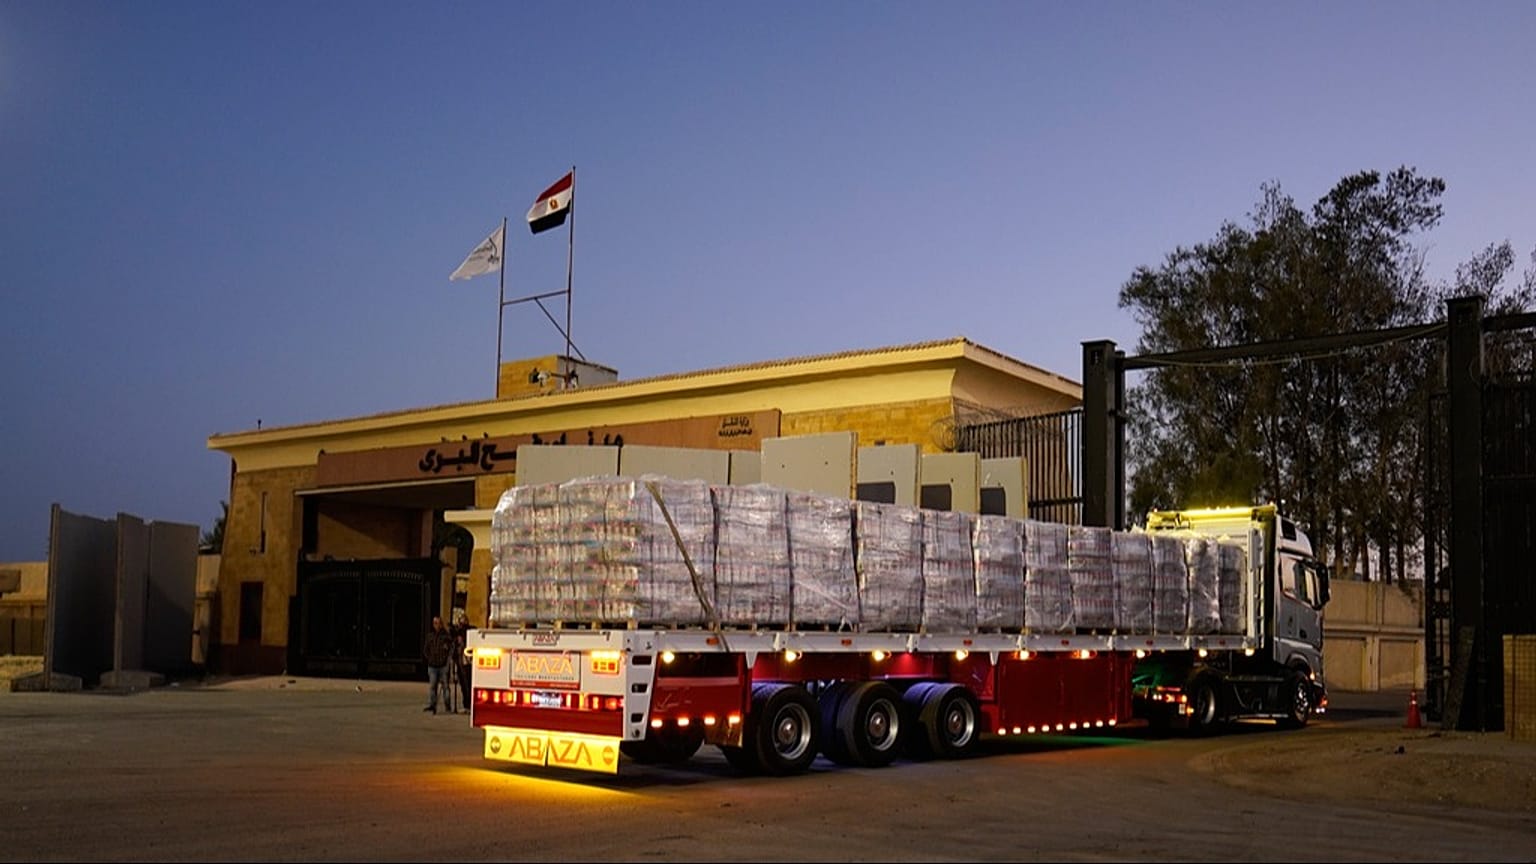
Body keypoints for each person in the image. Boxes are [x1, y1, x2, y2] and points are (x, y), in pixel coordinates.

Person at [422, 615, 453, 714]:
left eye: (438, 623)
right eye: (435, 623)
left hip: (443, 665)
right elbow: (425, 649)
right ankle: (432, 705)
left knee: (445, 687)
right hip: (432, 666)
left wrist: (446, 660)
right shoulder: (430, 636)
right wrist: (430, 658)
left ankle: (448, 706)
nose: (437, 625)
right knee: (432, 686)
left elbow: (450, 649)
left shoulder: (446, 636)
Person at [451, 612, 472, 713]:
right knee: (463, 685)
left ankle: (469, 705)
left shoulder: (469, 632)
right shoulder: (457, 635)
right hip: (459, 662)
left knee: (468, 684)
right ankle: (466, 705)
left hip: (467, 663)